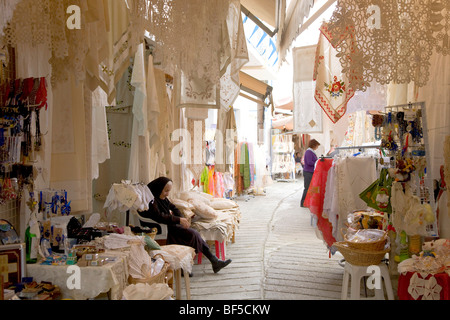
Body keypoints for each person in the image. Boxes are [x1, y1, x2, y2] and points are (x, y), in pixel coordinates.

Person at [139, 177, 232, 274]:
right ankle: (210, 261)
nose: (167, 194)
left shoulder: (162, 198)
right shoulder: (151, 201)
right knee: (193, 234)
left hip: (169, 225)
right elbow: (159, 217)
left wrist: (181, 218)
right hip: (161, 228)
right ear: (158, 188)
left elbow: (173, 207)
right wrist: (179, 220)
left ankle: (206, 263)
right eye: (166, 191)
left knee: (192, 234)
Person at [300, 139, 320, 207]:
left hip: (311, 172)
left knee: (312, 188)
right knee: (307, 188)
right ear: (314, 145)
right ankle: (303, 203)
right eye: (317, 146)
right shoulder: (309, 152)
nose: (317, 147)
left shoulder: (311, 152)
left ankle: (309, 202)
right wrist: (317, 162)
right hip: (308, 172)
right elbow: (309, 162)